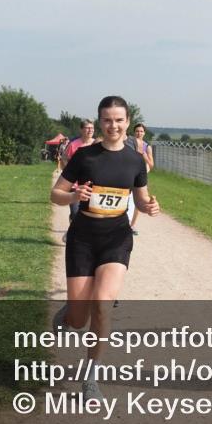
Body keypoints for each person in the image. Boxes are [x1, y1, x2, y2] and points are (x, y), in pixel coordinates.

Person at [50, 96, 160, 402]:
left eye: (119, 120)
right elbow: (55, 194)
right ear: (100, 122)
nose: (114, 125)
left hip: (116, 237)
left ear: (128, 122)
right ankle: (70, 314)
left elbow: (139, 199)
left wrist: (149, 205)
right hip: (83, 238)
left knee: (103, 302)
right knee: (78, 318)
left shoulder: (135, 160)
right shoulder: (85, 157)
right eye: (108, 120)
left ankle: (91, 376)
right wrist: (73, 196)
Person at [60, 119, 97, 242]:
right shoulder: (74, 144)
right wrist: (70, 173)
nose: (90, 130)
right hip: (75, 185)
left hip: (92, 185)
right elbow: (64, 159)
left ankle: (74, 233)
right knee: (76, 212)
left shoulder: (97, 144)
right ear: (81, 130)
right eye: (87, 128)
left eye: (92, 128)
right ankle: (72, 231)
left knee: (89, 213)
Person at [124, 124, 154, 235]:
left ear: (144, 133)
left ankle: (132, 224)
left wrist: (144, 155)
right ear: (133, 132)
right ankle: (125, 221)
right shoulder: (128, 143)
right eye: (137, 131)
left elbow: (151, 165)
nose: (139, 133)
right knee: (128, 199)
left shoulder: (147, 147)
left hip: (141, 176)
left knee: (138, 200)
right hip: (129, 175)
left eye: (141, 131)